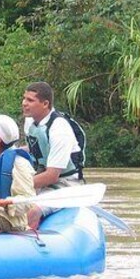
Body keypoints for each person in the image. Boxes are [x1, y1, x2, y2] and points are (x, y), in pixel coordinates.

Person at [22, 81, 84, 228]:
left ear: (45, 104)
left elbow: (52, 176)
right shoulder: (29, 122)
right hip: (41, 181)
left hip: (65, 185)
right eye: (24, 98)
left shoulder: (59, 128)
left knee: (32, 212)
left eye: (30, 100)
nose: (24, 103)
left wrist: (20, 184)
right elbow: (35, 149)